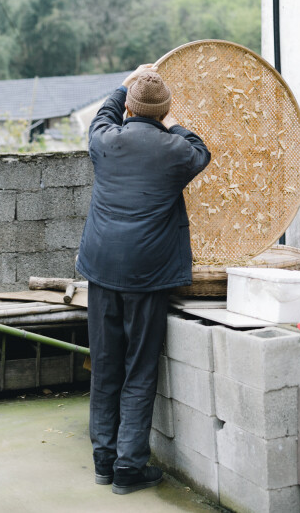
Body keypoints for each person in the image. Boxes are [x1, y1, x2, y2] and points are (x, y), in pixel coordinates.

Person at [77, 64, 211, 495]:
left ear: (130, 108)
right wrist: (170, 119)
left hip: (102, 269)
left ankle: (103, 460)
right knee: (139, 369)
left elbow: (103, 113)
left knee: (106, 365)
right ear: (163, 112)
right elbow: (201, 149)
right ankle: (129, 467)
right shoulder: (175, 151)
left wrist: (126, 83)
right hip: (148, 275)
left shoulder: (105, 140)